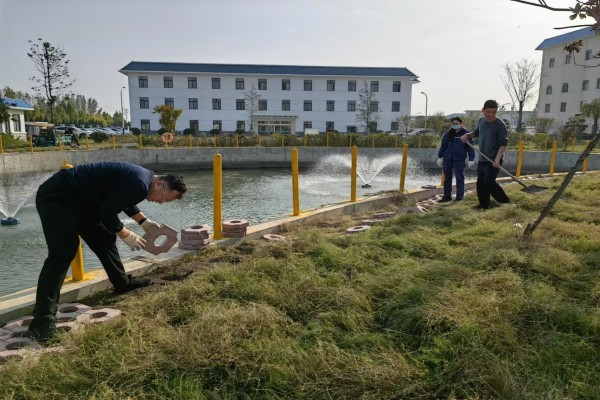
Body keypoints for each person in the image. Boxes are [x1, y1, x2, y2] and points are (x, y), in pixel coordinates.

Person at [27, 161, 187, 343]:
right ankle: (42, 321)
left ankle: (122, 283)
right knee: (63, 253)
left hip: (83, 201)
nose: (160, 202)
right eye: (164, 198)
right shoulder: (140, 183)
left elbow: (120, 199)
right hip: (58, 197)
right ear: (159, 184)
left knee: (104, 238)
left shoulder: (144, 181)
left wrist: (143, 221)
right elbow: (106, 212)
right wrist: (126, 234)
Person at [460, 99, 510, 209]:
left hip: (494, 159)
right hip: (483, 157)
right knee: (480, 183)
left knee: (489, 182)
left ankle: (505, 202)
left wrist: (497, 159)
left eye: (493, 112)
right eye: (488, 112)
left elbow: (503, 144)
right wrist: (467, 135)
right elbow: (476, 132)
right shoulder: (481, 121)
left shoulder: (499, 124)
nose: (490, 115)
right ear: (483, 110)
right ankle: (484, 205)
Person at [436, 117, 475, 202]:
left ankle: (459, 196)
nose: (455, 125)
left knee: (459, 177)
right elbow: (443, 147)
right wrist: (440, 157)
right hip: (447, 158)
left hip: (459, 159)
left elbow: (470, 147)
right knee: (447, 178)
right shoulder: (448, 134)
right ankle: (447, 196)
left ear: (461, 124)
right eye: (453, 124)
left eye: (456, 124)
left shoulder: (466, 134)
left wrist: (471, 158)